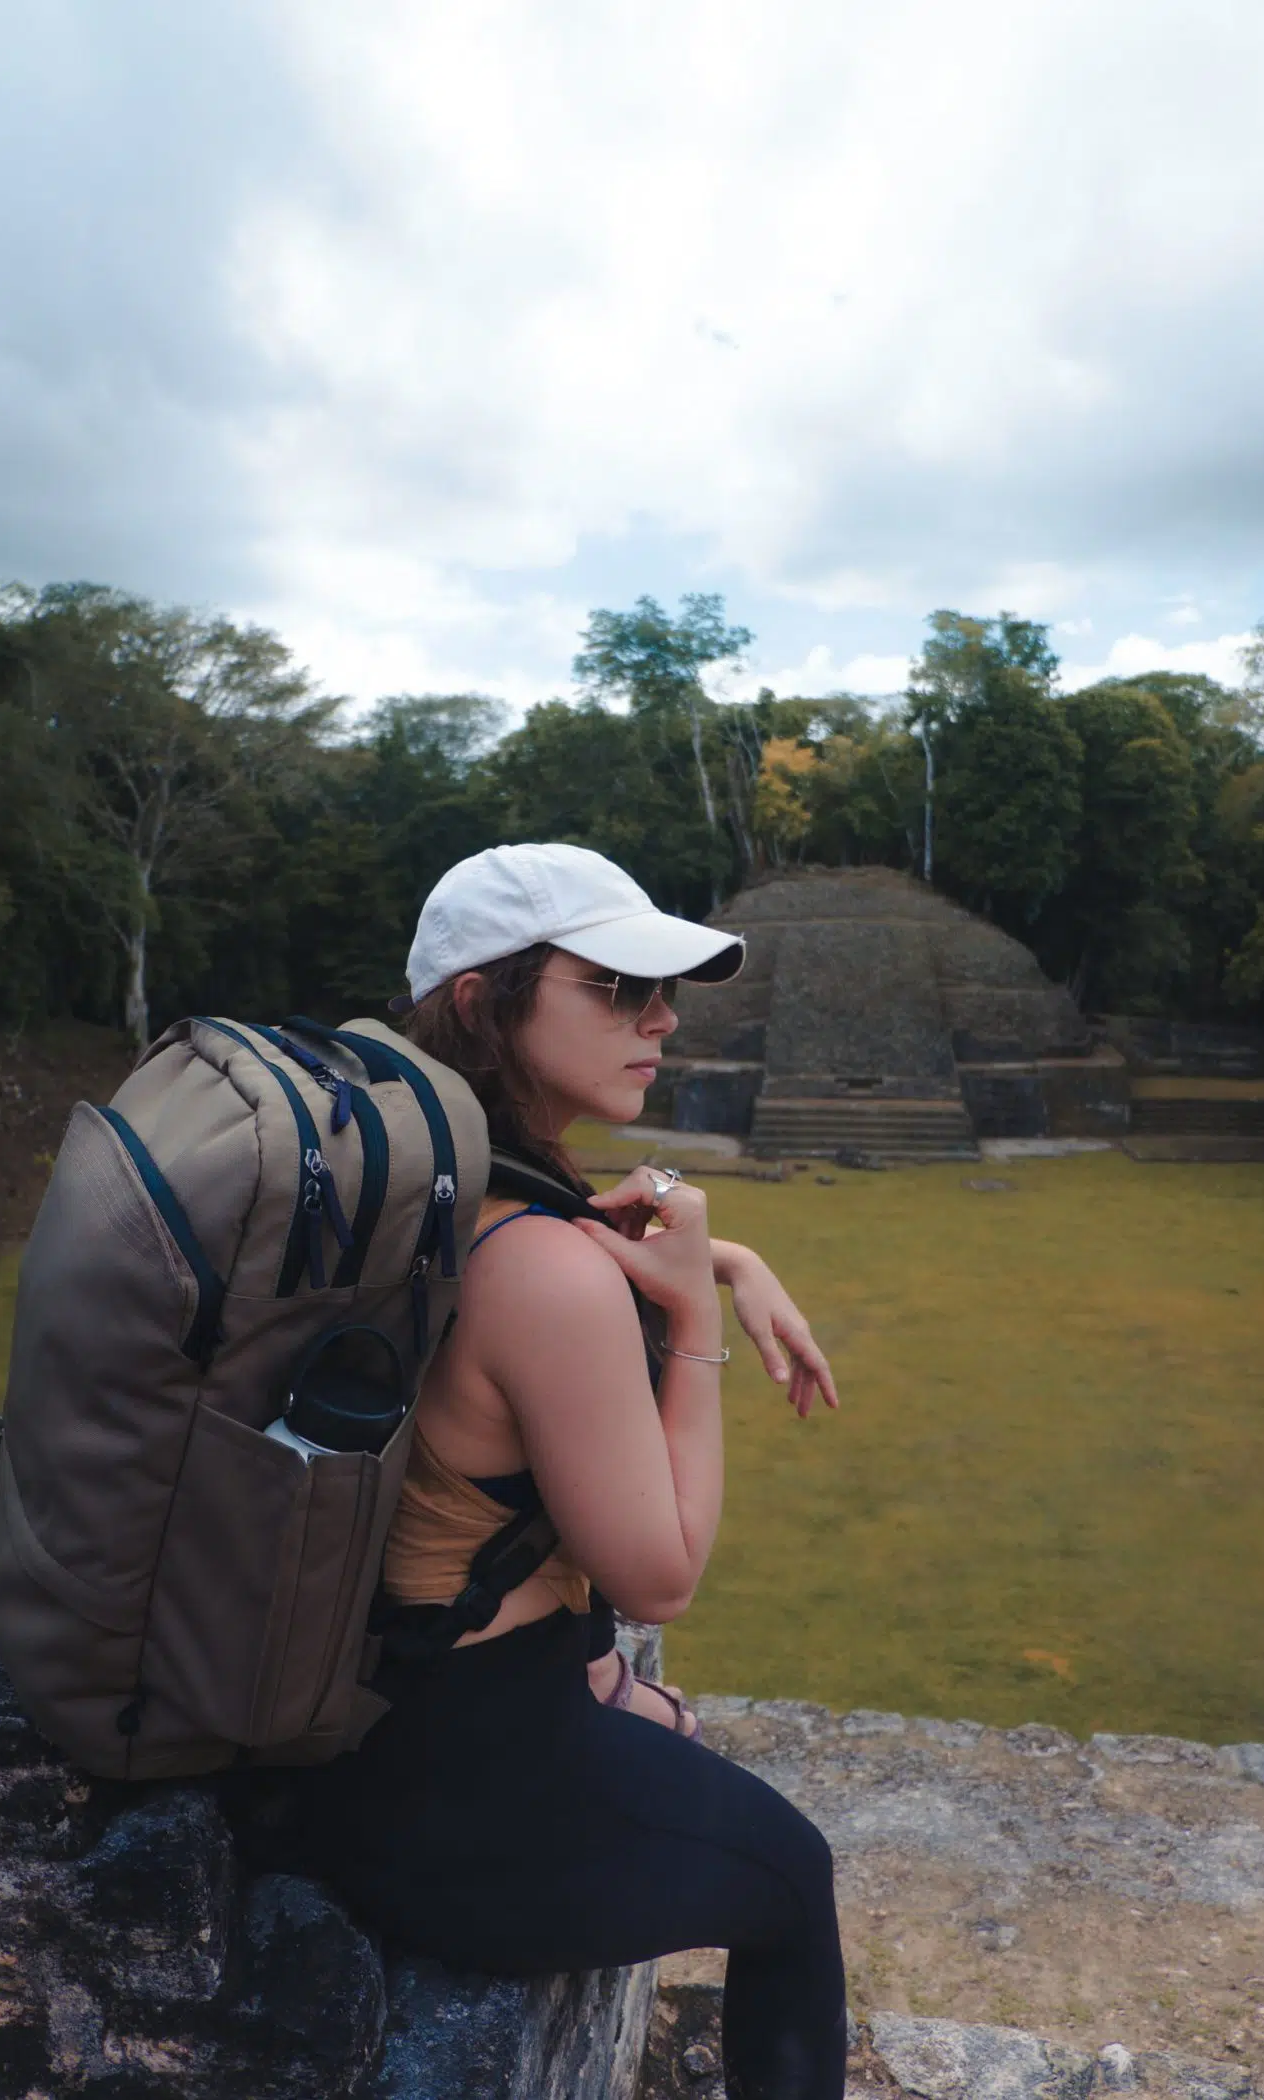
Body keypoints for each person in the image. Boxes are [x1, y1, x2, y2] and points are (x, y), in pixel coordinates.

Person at [304, 843, 847, 2100]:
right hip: (458, 1794)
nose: (658, 1018)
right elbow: (657, 1572)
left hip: (376, 1722)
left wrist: (727, 1256)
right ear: (484, 1001)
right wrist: (697, 1332)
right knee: (792, 1879)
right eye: (612, 986)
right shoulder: (543, 1271)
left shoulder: (420, 1182)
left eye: (658, 990)